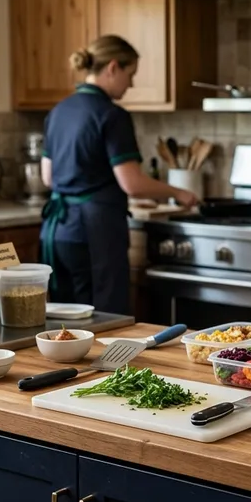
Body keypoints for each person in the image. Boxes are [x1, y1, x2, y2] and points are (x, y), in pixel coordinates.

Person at [40, 35, 199, 313]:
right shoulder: (112, 115)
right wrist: (178, 192)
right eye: (130, 74)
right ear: (113, 67)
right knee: (103, 319)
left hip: (57, 233)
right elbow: (133, 184)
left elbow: (48, 178)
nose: (132, 84)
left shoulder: (58, 111)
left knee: (64, 322)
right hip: (94, 234)